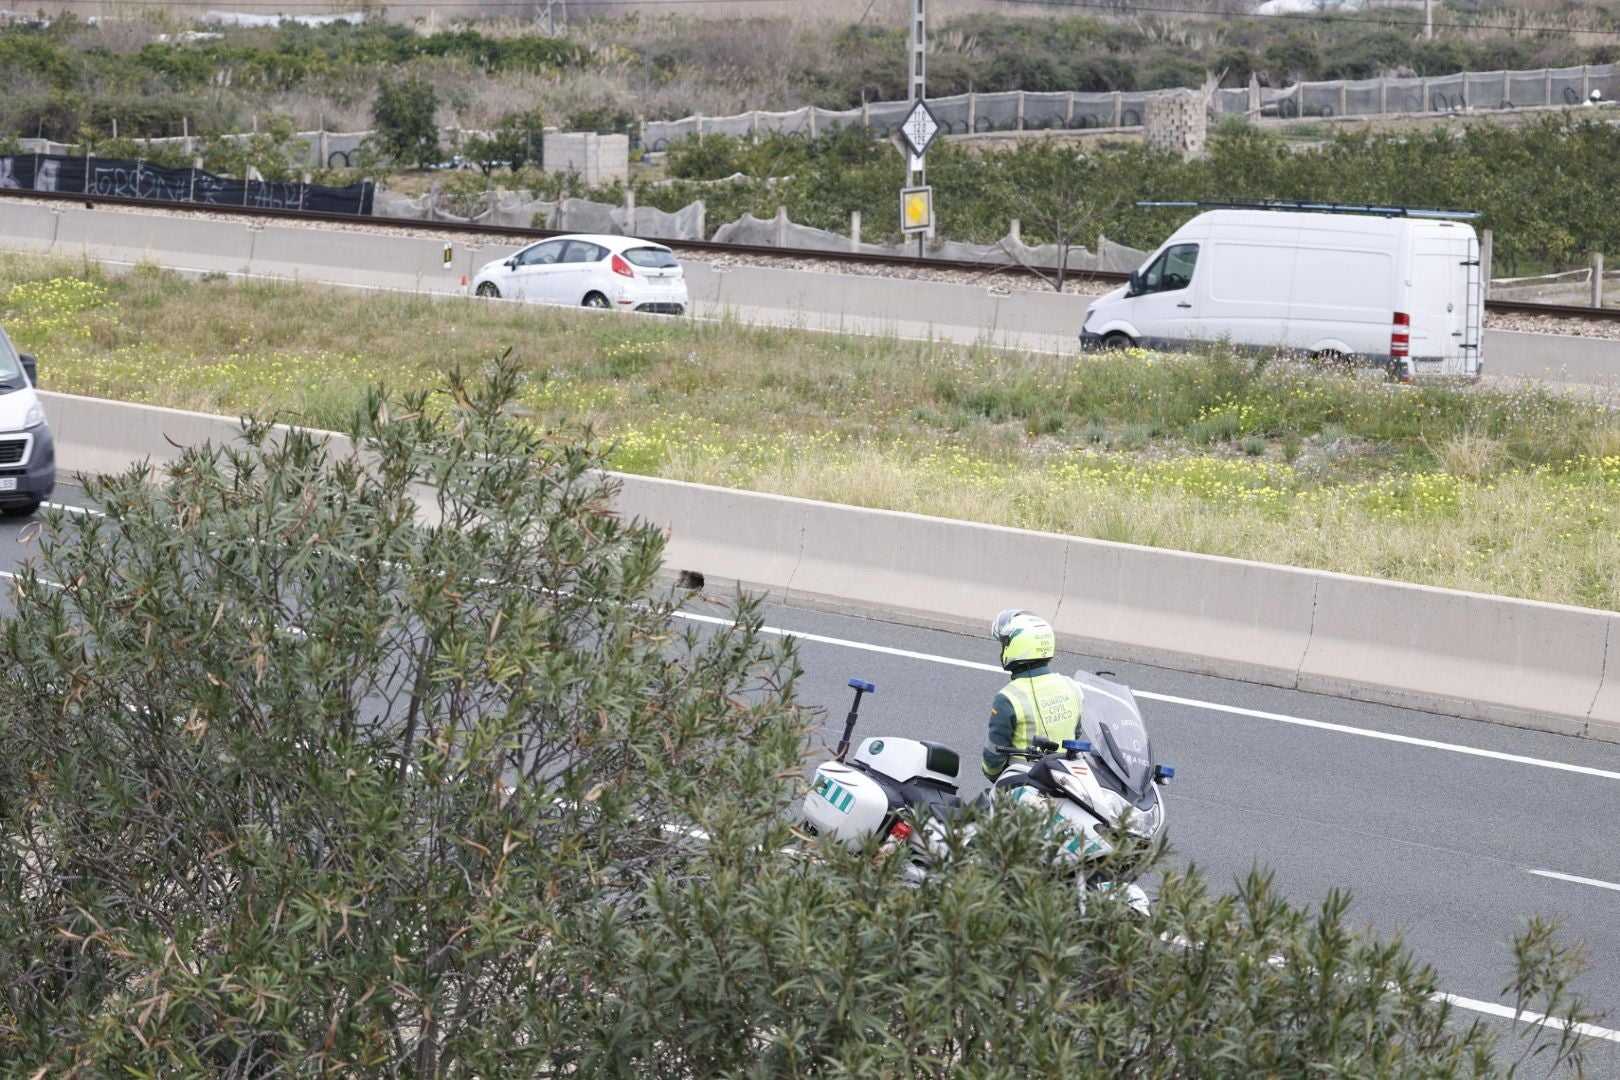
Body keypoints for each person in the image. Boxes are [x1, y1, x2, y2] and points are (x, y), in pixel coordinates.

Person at [982, 609, 1084, 781]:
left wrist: (992, 773)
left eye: (1004, 645)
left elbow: (992, 761)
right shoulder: (1072, 687)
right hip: (1068, 783)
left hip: (1023, 787)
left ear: (1016, 646)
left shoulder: (1008, 699)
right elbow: (1076, 734)